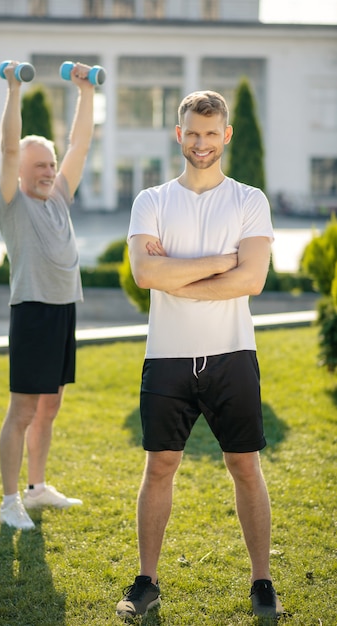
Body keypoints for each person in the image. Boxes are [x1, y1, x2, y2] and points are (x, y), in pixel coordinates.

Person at [116, 90, 284, 620]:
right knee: (159, 465)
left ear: (226, 136)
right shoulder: (152, 201)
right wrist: (218, 264)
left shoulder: (250, 199)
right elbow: (146, 275)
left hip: (232, 353)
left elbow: (252, 278)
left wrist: (178, 276)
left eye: (212, 133)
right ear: (178, 134)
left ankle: (262, 582)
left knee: (245, 465)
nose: (202, 142)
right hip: (166, 355)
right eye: (193, 132)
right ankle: (147, 581)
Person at [0, 61, 95, 530]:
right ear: (21, 172)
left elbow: (80, 144)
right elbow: (9, 146)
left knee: (50, 405)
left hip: (62, 311)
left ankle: (36, 490)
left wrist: (84, 91)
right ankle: (10, 500)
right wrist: (14, 88)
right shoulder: (13, 205)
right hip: (32, 311)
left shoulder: (58, 196)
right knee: (24, 409)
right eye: (39, 166)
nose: (48, 172)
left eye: (51, 165)